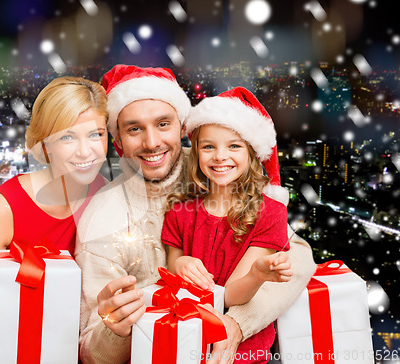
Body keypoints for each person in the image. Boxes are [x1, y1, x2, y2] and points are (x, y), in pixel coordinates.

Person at [75, 65, 316, 364]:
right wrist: (117, 329)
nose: (151, 143)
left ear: (181, 126)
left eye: (163, 124)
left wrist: (237, 323)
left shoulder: (217, 167)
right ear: (118, 140)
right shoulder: (103, 220)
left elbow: (298, 254)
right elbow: (91, 352)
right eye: (134, 128)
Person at [0, 76, 109, 364]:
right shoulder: (3, 207)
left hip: (59, 337)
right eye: (67, 137)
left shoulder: (105, 194)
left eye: (96, 134)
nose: (86, 151)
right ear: (44, 145)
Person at [163, 87, 293, 363]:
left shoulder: (270, 214)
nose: (220, 156)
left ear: (252, 153)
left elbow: (231, 296)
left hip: (244, 352)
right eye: (208, 146)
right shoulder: (179, 212)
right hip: (183, 341)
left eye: (234, 146)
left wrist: (257, 275)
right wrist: (180, 262)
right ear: (196, 152)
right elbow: (170, 269)